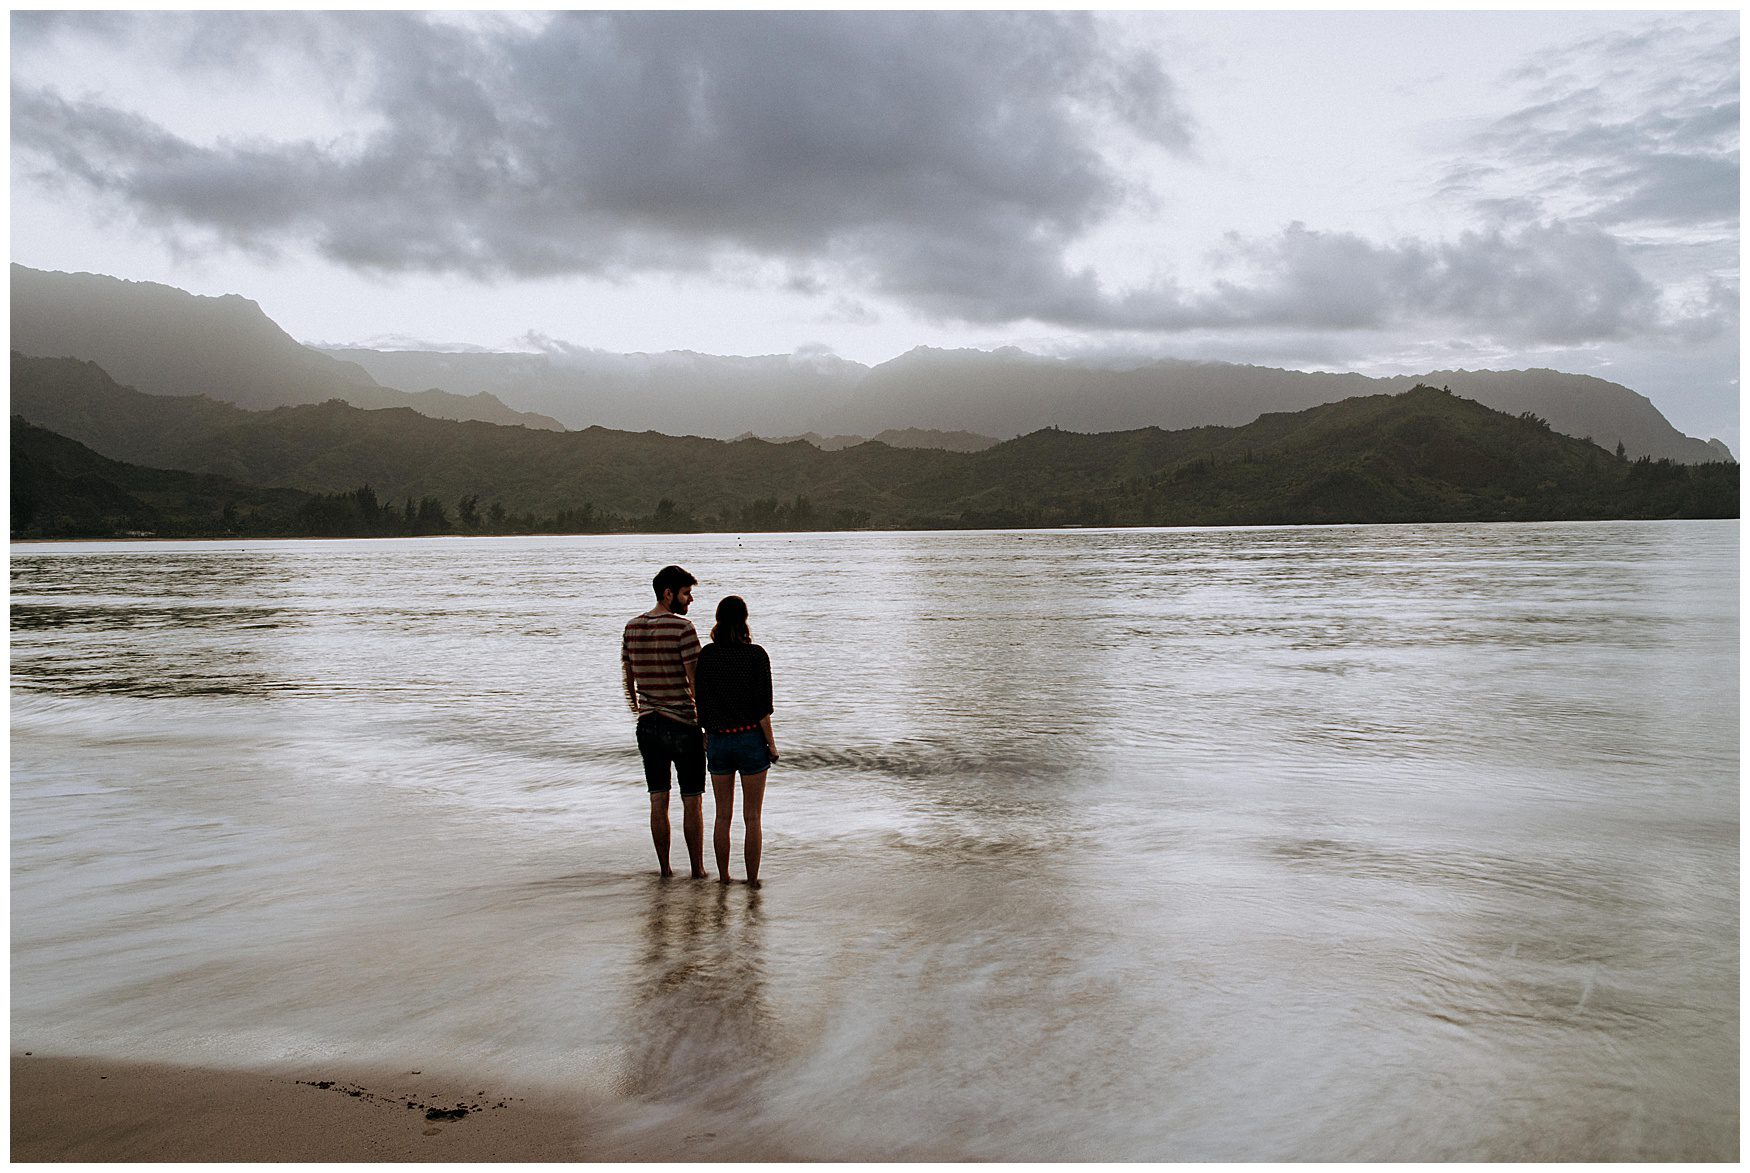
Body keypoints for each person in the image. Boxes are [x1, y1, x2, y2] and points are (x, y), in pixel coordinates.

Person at [622, 565, 706, 878]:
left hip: (648, 725)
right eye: (686, 593)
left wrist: (640, 709)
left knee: (658, 797)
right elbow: (696, 683)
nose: (690, 599)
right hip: (682, 723)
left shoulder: (632, 627)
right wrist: (705, 725)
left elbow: (628, 679)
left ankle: (665, 870)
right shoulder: (683, 628)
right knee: (691, 800)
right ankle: (697, 870)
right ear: (668, 594)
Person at [694, 594, 779, 888]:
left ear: (718, 620)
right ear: (744, 620)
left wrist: (706, 733)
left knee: (722, 816)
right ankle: (752, 882)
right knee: (752, 818)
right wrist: (771, 745)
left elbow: (701, 702)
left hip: (719, 741)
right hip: (750, 739)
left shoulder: (707, 655)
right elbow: (762, 708)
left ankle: (724, 878)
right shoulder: (756, 655)